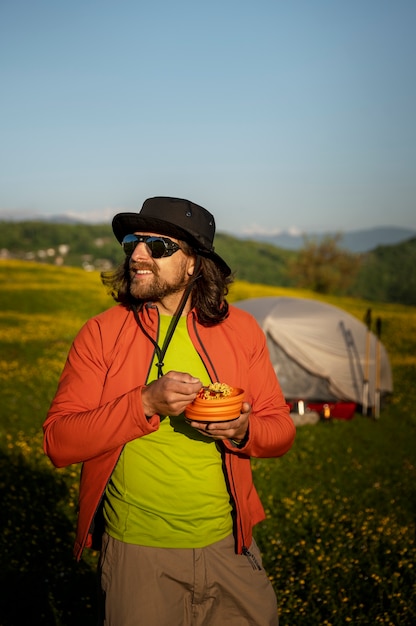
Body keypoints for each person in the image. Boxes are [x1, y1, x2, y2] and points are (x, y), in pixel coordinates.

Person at [43, 196, 296, 626]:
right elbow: (59, 442)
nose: (138, 255)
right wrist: (144, 402)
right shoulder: (102, 333)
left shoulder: (242, 331)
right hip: (137, 554)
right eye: (133, 242)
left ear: (194, 264)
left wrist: (241, 429)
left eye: (157, 247)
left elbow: (281, 430)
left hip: (230, 546)